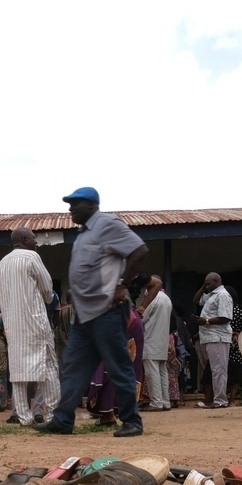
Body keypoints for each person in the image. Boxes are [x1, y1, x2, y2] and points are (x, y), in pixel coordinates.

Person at [35, 187, 148, 438]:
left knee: (118, 366)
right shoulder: (83, 234)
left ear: (91, 204)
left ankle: (132, 420)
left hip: (108, 311)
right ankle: (63, 420)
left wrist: (122, 285)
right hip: (83, 316)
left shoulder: (108, 224)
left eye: (75, 204)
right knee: (74, 368)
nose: (70, 209)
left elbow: (138, 250)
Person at [0, 227, 60, 426]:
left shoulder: (1, 264)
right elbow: (48, 291)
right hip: (35, 322)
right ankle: (51, 415)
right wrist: (45, 298)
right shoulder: (31, 257)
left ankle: (23, 417)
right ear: (24, 240)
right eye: (33, 238)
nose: (36, 242)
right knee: (48, 366)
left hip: (13, 326)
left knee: (18, 372)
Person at [87, 303, 144, 426]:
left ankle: (112, 414)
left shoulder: (111, 286)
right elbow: (156, 283)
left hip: (121, 321)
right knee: (123, 368)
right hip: (127, 320)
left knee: (108, 367)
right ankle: (122, 412)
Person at [193, 272, 234, 408]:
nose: (206, 286)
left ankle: (221, 401)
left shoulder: (223, 295)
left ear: (216, 281)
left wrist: (205, 321)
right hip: (210, 337)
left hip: (218, 337)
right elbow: (195, 301)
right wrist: (204, 286)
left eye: (209, 283)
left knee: (219, 369)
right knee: (214, 369)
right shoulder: (211, 295)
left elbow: (226, 317)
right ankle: (217, 399)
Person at [139, 276, 172, 411]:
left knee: (152, 373)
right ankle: (165, 401)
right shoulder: (167, 298)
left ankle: (156, 402)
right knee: (162, 372)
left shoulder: (153, 299)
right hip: (162, 340)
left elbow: (142, 317)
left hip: (150, 339)